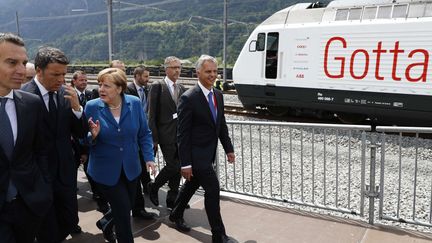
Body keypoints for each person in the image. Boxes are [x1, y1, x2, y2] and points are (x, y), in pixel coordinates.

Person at [21, 46, 86, 242]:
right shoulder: (23, 96)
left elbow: (81, 132)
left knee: (69, 220)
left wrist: (77, 109)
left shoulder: (66, 94)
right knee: (46, 229)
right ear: (39, 71)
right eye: (55, 74)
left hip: (65, 173)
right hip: (38, 177)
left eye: (64, 74)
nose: (61, 79)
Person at [85, 67, 156, 243]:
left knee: (126, 206)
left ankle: (105, 223)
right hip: (105, 170)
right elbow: (82, 140)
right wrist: (91, 136)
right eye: (100, 84)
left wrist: (149, 158)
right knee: (124, 213)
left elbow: (144, 133)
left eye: (106, 86)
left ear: (119, 88)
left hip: (131, 168)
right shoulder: (92, 107)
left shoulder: (134, 103)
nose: (101, 89)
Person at [170, 55, 235, 243]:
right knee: (213, 190)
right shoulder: (189, 98)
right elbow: (182, 134)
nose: (212, 75)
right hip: (196, 156)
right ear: (198, 72)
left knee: (191, 185)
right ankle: (218, 235)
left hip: (209, 154)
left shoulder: (218, 95)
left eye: (215, 71)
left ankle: (176, 214)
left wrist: (228, 149)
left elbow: (220, 125)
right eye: (208, 71)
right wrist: (186, 164)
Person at [0, 32, 52, 243]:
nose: (21, 70)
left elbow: (41, 151)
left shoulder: (32, 104)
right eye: (11, 62)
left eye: (23, 62)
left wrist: (44, 189)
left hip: (28, 205)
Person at [147, 56, 186, 209]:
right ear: (166, 69)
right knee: (173, 166)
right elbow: (152, 115)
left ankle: (172, 199)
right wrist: (154, 139)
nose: (177, 70)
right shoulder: (158, 86)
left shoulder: (181, 88)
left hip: (179, 135)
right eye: (174, 67)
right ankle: (154, 186)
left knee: (178, 167)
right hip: (165, 134)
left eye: (179, 67)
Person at [71, 70, 109, 213]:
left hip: (90, 139)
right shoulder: (68, 96)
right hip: (75, 143)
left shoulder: (90, 95)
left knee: (91, 172)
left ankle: (99, 197)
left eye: (85, 80)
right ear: (74, 81)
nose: (84, 83)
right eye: (81, 80)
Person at [125, 66, 153, 219]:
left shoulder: (147, 90)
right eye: (145, 77)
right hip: (131, 141)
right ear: (136, 76)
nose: (147, 80)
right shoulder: (127, 91)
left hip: (142, 136)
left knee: (139, 173)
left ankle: (139, 207)